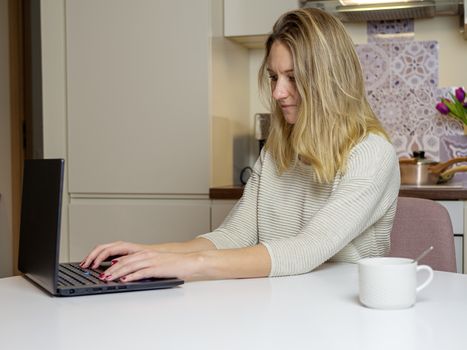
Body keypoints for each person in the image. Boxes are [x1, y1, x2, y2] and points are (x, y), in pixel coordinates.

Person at [81, 8, 400, 282]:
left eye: (293, 77)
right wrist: (149, 253)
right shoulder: (277, 152)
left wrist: (188, 266)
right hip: (281, 303)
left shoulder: (372, 153)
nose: (278, 93)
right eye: (275, 78)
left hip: (341, 316)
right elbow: (233, 236)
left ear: (330, 81)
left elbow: (308, 248)